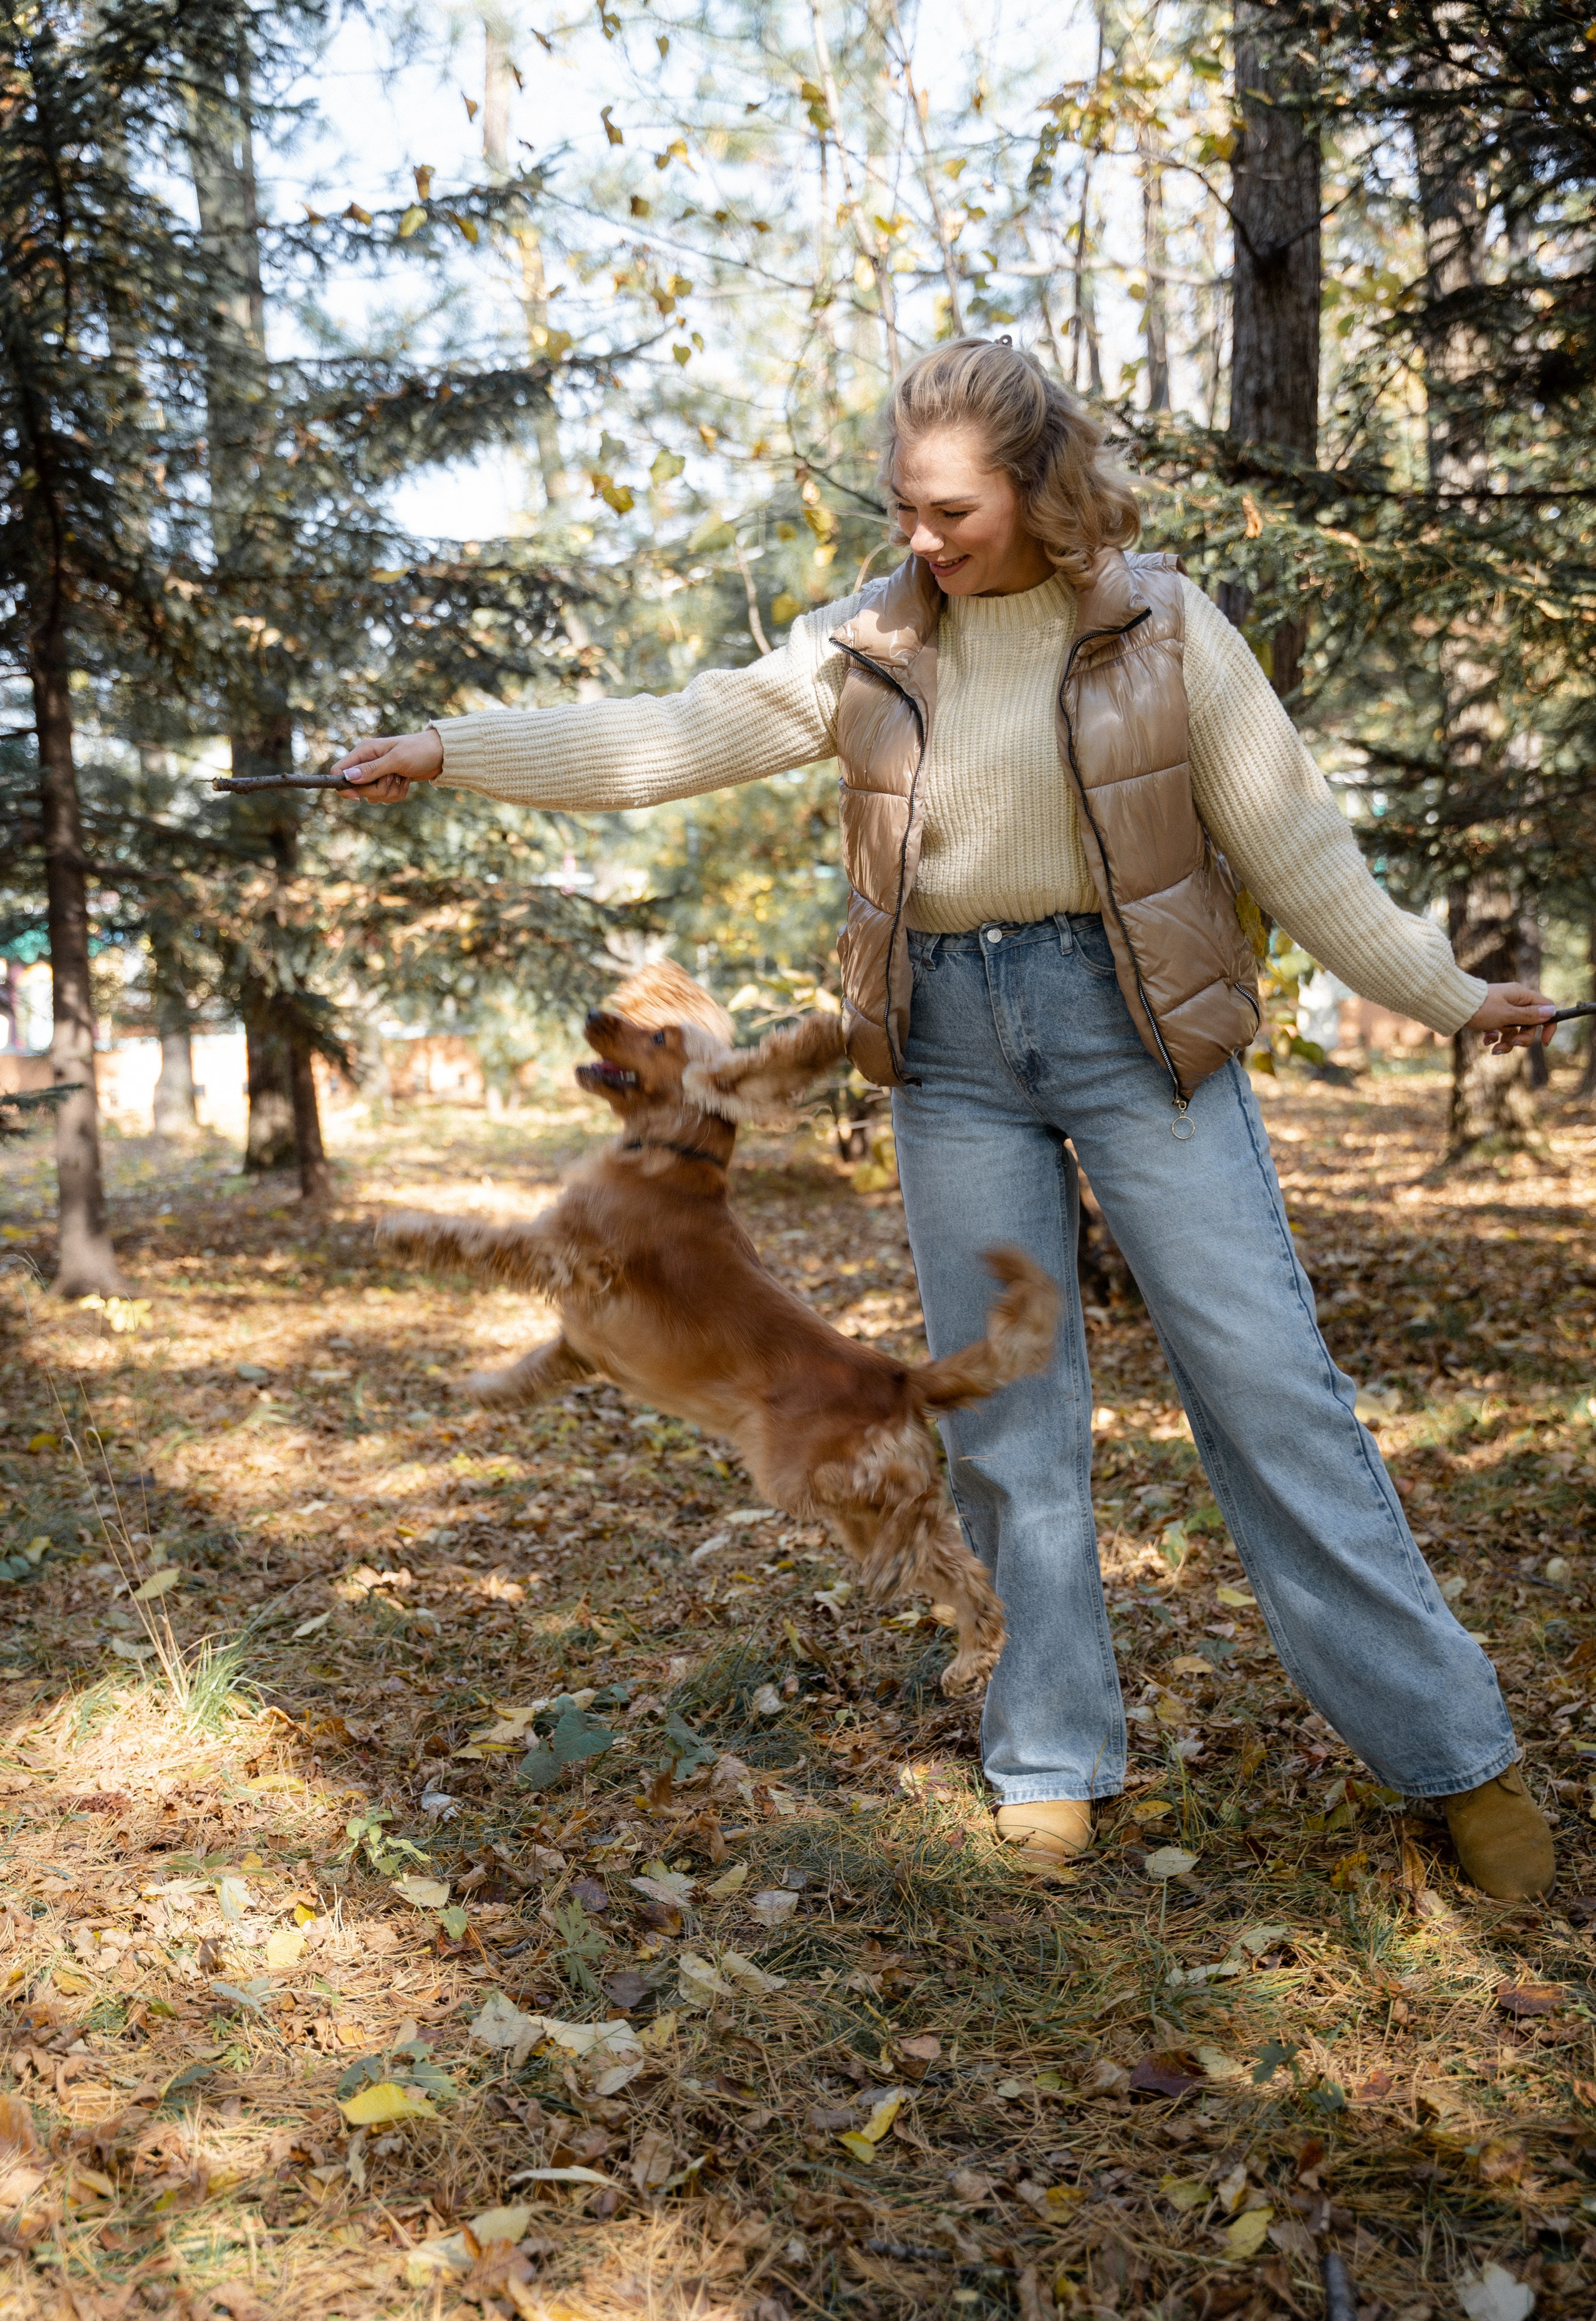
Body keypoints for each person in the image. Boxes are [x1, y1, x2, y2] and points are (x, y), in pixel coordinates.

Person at [334, 335, 1560, 1899]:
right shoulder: (868, 645)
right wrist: (456, 752)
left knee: (1269, 1392)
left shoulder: (1164, 626)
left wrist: (1453, 994)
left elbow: (1298, 849)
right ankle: (1048, 1752)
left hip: (1136, 1038)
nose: (919, 539)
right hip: (947, 1047)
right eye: (903, 508)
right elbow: (672, 733)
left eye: (951, 512)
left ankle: (1456, 1758)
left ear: (1040, 487)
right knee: (1005, 1419)